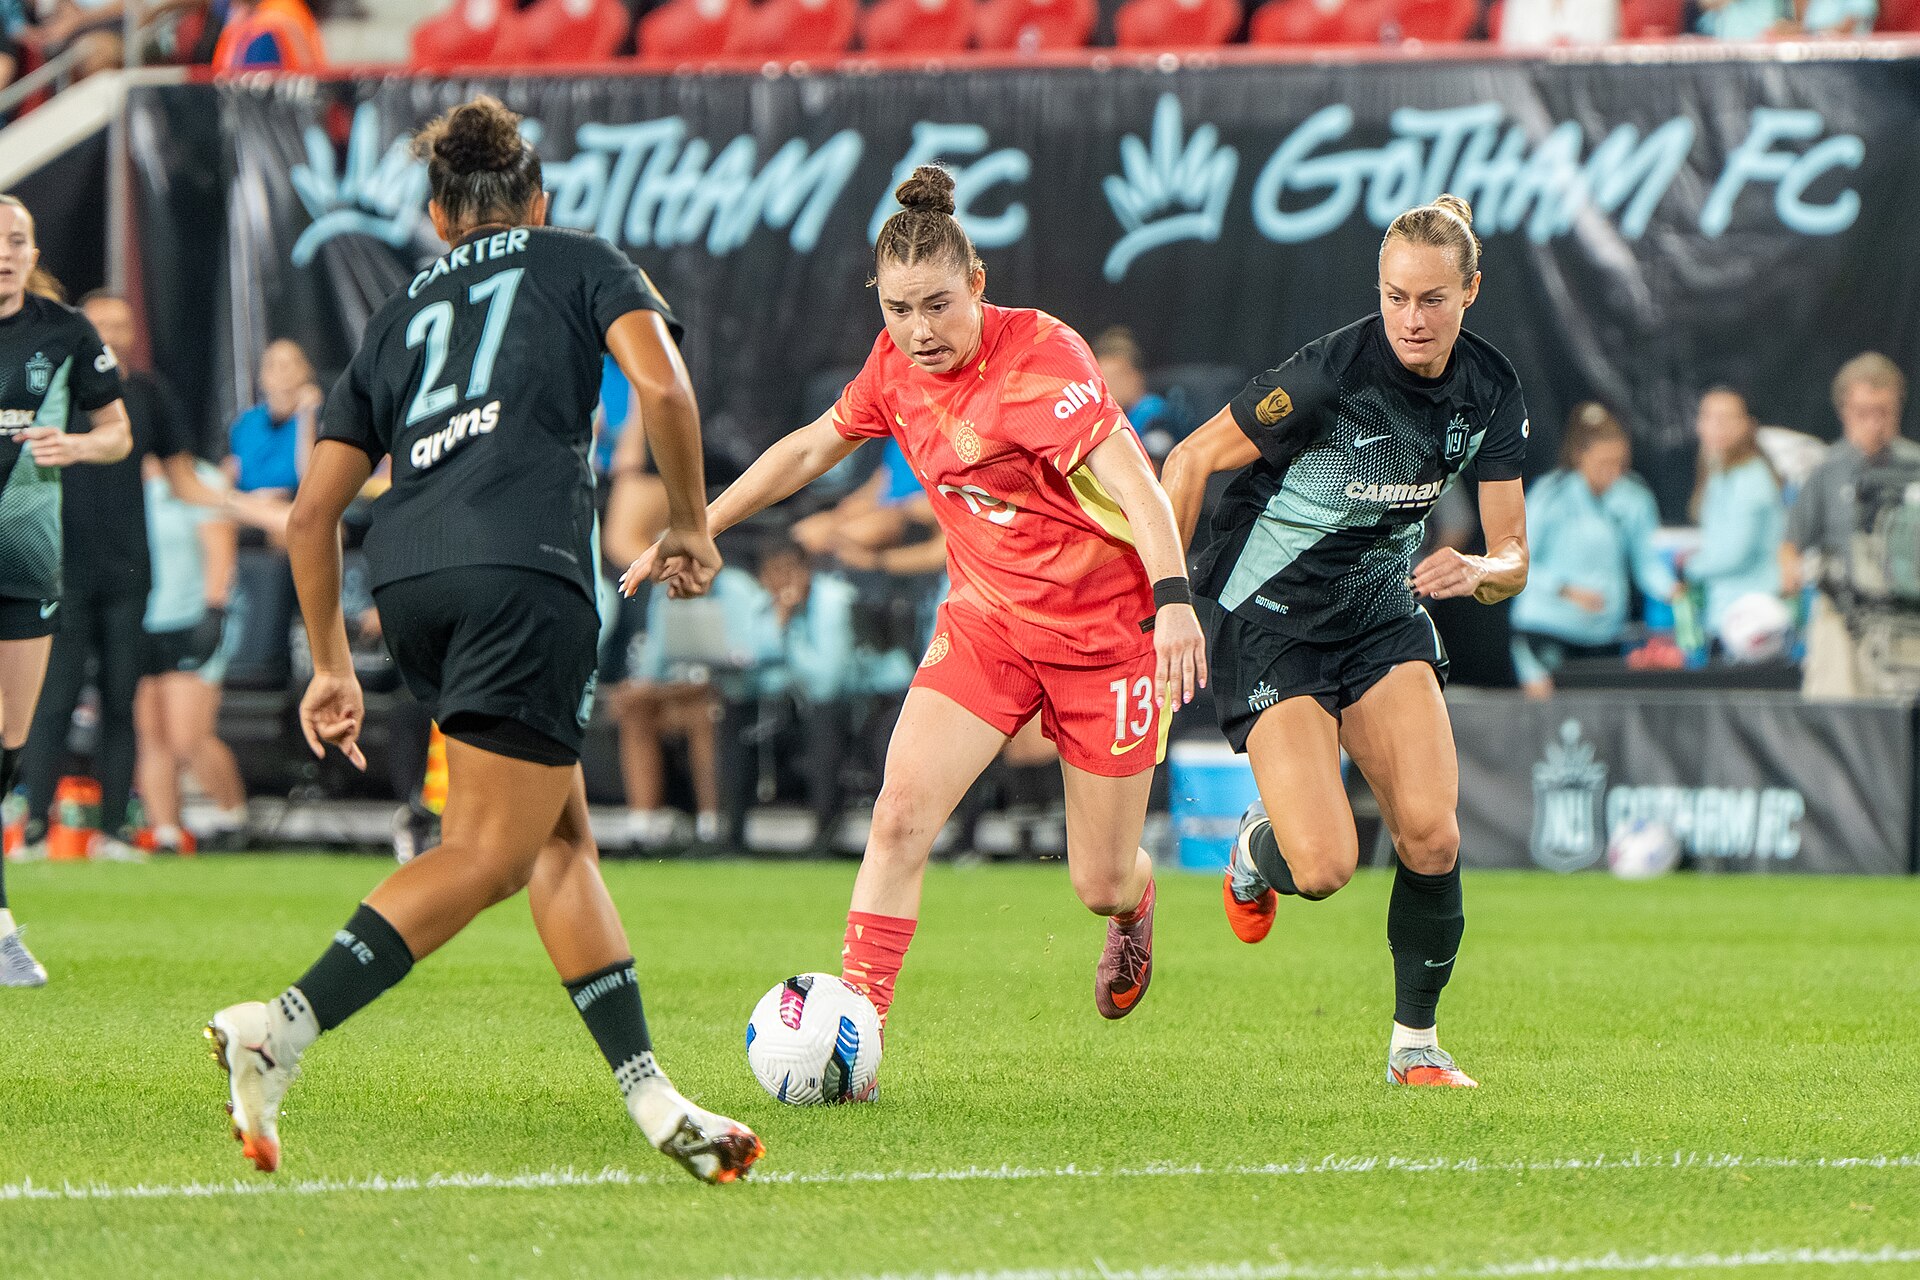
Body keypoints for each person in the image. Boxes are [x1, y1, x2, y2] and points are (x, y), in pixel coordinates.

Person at [201, 96, 760, 1184]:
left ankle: (652, 1097)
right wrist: (691, 523)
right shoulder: (577, 258)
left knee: (556, 839)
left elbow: (312, 515)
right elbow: (664, 385)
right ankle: (282, 1025)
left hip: (409, 582)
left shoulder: (400, 308)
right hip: (524, 572)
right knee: (488, 852)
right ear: (535, 200)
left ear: (435, 213)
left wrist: (326, 664)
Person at [626, 164, 1208, 1035]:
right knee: (898, 814)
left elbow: (1140, 486)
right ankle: (856, 1032)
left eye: (937, 304)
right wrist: (696, 521)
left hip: (1103, 635)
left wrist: (1173, 601)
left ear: (977, 284)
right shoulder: (893, 366)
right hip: (987, 624)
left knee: (1098, 881)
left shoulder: (1046, 361)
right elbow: (807, 449)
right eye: (897, 310)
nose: (918, 330)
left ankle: (1134, 907)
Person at [1161, 194, 1530, 1089]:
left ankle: (1416, 1045)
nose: (1411, 317)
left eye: (1433, 299)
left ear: (1470, 292)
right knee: (1323, 868)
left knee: (1433, 839)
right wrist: (1167, 604)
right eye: (1396, 296)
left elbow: (1514, 554)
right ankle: (1258, 850)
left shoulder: (1490, 388)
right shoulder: (1331, 371)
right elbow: (1188, 462)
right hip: (1271, 622)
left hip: (1380, 619)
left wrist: (1482, 570)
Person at [15, 290, 220, 862]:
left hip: (129, 571)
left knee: (120, 702)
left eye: (123, 325)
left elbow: (187, 482)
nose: (113, 335)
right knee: (51, 700)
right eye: (101, 324)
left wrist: (262, 509)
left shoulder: (148, 395)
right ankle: (33, 827)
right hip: (60, 569)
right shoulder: (51, 391)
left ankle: (113, 829)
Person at [0, 195, 134, 987]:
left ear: (33, 248)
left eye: (17, 240)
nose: (5, 253)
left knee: (12, 741)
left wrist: (79, 445)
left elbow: (120, 433)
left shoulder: (66, 332)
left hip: (26, 563)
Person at [1509, 404, 1674, 698]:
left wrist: (1673, 590)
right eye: (1603, 464)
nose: (1612, 473)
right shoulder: (1549, 494)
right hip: (1547, 628)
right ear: (1580, 457)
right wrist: (1566, 590)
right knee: (1550, 723)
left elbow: (1647, 563)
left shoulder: (1635, 497)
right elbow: (1516, 560)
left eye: (1619, 464)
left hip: (1605, 636)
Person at [1781, 353, 1920, 697]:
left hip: (1908, 619)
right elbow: (1791, 541)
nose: (1874, 423)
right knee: (1836, 714)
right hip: (1843, 617)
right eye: (1863, 412)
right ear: (1844, 411)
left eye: (1884, 411)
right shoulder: (1826, 470)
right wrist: (1790, 570)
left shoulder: (1915, 467)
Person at [133, 454, 249, 853]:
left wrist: (213, 612)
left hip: (193, 619)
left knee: (188, 736)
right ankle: (166, 831)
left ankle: (232, 817)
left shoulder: (201, 478)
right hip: (143, 621)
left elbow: (221, 553)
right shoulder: (126, 479)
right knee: (152, 735)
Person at [718, 537, 859, 851]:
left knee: (824, 722)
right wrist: (778, 625)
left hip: (844, 704)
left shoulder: (832, 601)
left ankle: (825, 832)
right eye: (772, 573)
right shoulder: (761, 603)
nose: (781, 582)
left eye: (788, 571)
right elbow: (746, 661)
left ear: (806, 570)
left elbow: (827, 680)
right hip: (783, 705)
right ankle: (732, 835)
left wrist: (787, 630)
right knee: (734, 708)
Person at [1682, 387, 1784, 647]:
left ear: (1747, 426)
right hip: (1724, 614)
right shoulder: (1718, 475)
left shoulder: (1752, 478)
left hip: (1754, 618)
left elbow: (1736, 552)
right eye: (1708, 417)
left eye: (1726, 418)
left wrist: (1689, 567)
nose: (1717, 426)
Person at [1091, 326, 1181, 465]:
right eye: (1102, 378)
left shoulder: (1154, 414)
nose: (1108, 386)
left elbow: (1156, 467)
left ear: (1136, 376)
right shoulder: (1111, 417)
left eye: (1115, 377)